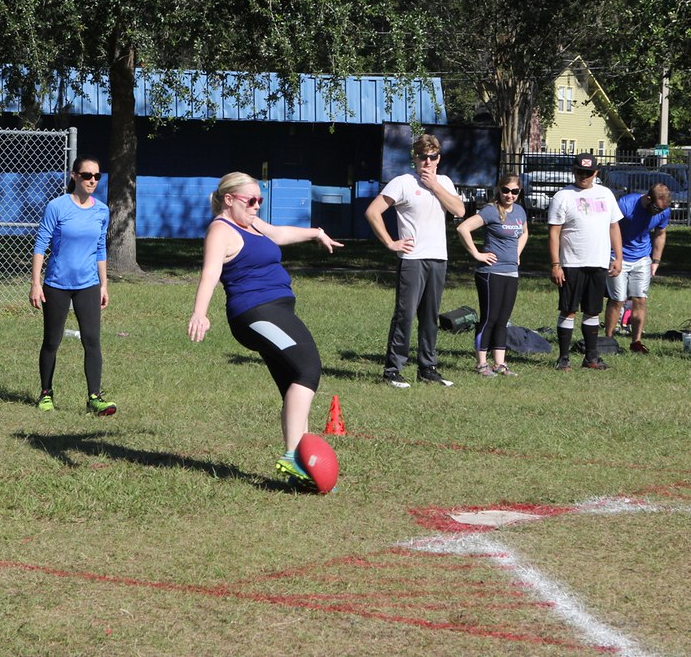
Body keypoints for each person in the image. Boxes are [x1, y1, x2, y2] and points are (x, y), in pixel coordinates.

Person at [188, 172, 343, 487]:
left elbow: (280, 234)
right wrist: (199, 313)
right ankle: (292, 456)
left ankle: (298, 465)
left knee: (292, 383)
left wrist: (316, 233)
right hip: (256, 313)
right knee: (308, 370)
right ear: (229, 199)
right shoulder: (221, 230)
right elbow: (210, 272)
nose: (257, 205)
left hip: (277, 310)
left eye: (260, 199)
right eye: (251, 200)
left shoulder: (252, 224)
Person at [365, 134, 466, 388]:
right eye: (423, 157)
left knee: (430, 316)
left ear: (438, 159)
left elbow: (460, 210)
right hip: (412, 258)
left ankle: (428, 368)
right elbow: (373, 211)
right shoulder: (403, 183)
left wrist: (435, 186)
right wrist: (390, 242)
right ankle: (392, 370)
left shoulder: (444, 182)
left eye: (432, 157)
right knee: (405, 315)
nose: (427, 162)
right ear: (415, 158)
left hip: (437, 258)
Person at [30, 156, 116, 416]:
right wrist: (36, 283)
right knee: (52, 341)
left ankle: (95, 398)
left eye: (97, 176)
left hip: (88, 284)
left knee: (92, 341)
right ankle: (46, 393)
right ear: (74, 176)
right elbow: (40, 245)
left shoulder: (102, 210)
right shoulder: (57, 207)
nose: (92, 180)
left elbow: (100, 248)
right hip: (56, 284)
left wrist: (104, 285)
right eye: (87, 175)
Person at [547, 153, 623, 371]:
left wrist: (618, 257)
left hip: (598, 262)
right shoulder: (563, 196)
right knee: (569, 310)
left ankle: (591, 357)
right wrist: (555, 264)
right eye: (580, 172)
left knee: (593, 311)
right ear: (574, 171)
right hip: (571, 263)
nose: (584, 176)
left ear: (596, 173)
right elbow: (554, 232)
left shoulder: (606, 194)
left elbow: (614, 226)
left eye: (588, 173)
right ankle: (563, 358)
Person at [456, 173, 528, 377]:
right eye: (506, 190)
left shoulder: (520, 211)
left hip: (511, 271)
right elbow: (463, 228)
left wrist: (517, 254)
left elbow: (524, 233)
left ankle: (500, 363)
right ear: (499, 189)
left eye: (514, 191)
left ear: (519, 192)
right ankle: (481, 363)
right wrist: (477, 254)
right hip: (490, 273)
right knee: (489, 317)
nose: (509, 195)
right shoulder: (490, 211)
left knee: (503, 319)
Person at [603, 183, 671, 353]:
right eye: (656, 208)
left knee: (640, 299)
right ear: (648, 198)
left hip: (642, 258)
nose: (658, 213)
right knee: (618, 299)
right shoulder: (626, 205)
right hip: (619, 256)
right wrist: (616, 257)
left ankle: (636, 342)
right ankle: (608, 340)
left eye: (661, 210)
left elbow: (660, 234)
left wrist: (655, 261)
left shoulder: (663, 211)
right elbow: (610, 229)